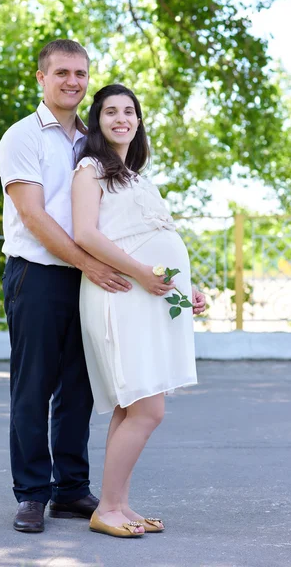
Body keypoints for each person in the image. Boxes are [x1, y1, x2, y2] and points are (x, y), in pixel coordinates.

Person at [0, 40, 134, 533]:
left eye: (80, 73)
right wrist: (88, 265)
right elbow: (33, 216)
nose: (73, 82)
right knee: (33, 388)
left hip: (89, 280)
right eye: (61, 73)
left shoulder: (93, 141)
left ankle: (70, 490)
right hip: (37, 276)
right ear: (41, 78)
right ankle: (31, 493)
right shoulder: (22, 137)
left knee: (79, 387)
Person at [72, 84, 205, 538]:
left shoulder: (137, 176)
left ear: (139, 121)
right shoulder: (90, 170)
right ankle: (106, 507)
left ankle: (119, 505)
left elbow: (155, 236)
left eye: (129, 111)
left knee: (131, 408)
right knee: (148, 409)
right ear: (97, 120)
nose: (121, 118)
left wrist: (188, 291)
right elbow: (86, 234)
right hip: (121, 295)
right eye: (110, 111)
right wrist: (143, 275)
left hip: (147, 296)